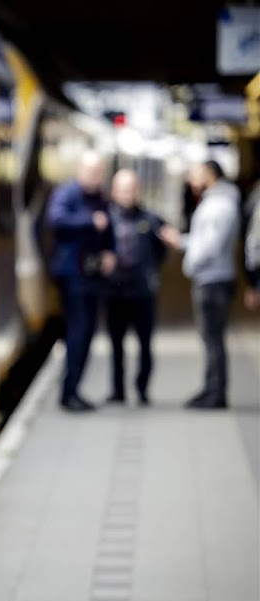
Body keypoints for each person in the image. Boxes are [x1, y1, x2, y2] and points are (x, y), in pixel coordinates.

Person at [161, 161, 240, 409]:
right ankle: (210, 389)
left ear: (210, 176)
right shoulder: (216, 202)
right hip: (212, 277)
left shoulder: (220, 205)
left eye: (196, 176)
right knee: (210, 339)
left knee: (213, 339)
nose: (192, 182)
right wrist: (182, 242)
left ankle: (216, 393)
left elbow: (211, 246)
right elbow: (203, 239)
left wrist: (191, 264)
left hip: (213, 280)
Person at [46, 150, 116, 412]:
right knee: (78, 331)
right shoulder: (67, 195)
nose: (94, 177)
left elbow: (108, 230)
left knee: (86, 334)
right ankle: (69, 392)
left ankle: (74, 389)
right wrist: (89, 221)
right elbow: (56, 220)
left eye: (98, 173)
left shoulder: (100, 198)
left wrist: (110, 252)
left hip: (92, 274)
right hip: (72, 275)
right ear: (79, 171)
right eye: (90, 172)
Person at [102, 170, 168, 406]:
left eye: (131, 189)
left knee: (145, 344)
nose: (127, 194)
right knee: (116, 344)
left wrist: (149, 272)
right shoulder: (105, 219)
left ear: (137, 191)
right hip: (115, 290)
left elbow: (162, 249)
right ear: (114, 191)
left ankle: (142, 389)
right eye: (122, 189)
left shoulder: (150, 219)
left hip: (142, 291)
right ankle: (118, 390)